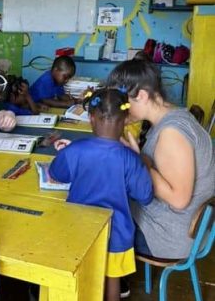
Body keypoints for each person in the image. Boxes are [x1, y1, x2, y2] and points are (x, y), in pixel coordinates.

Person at [49, 88, 154, 301]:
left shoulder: (75, 150)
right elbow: (145, 196)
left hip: (78, 232)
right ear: (125, 121)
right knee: (111, 280)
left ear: (90, 118)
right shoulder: (130, 159)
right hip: (117, 234)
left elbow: (56, 173)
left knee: (79, 276)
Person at [106, 60, 214, 260]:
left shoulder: (172, 133)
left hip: (169, 236)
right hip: (176, 225)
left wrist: (139, 161)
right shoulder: (171, 114)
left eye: (122, 103)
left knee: (94, 224)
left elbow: (179, 199)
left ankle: (114, 284)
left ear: (142, 96)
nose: (119, 110)